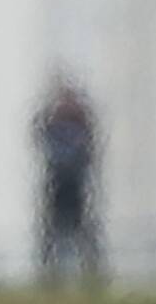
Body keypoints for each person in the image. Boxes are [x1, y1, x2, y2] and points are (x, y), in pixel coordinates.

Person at [34, 73, 105, 289]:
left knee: (81, 231)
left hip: (74, 184)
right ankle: (50, 277)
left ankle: (90, 273)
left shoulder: (77, 124)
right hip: (58, 183)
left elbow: (88, 149)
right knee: (53, 233)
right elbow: (40, 134)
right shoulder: (56, 124)